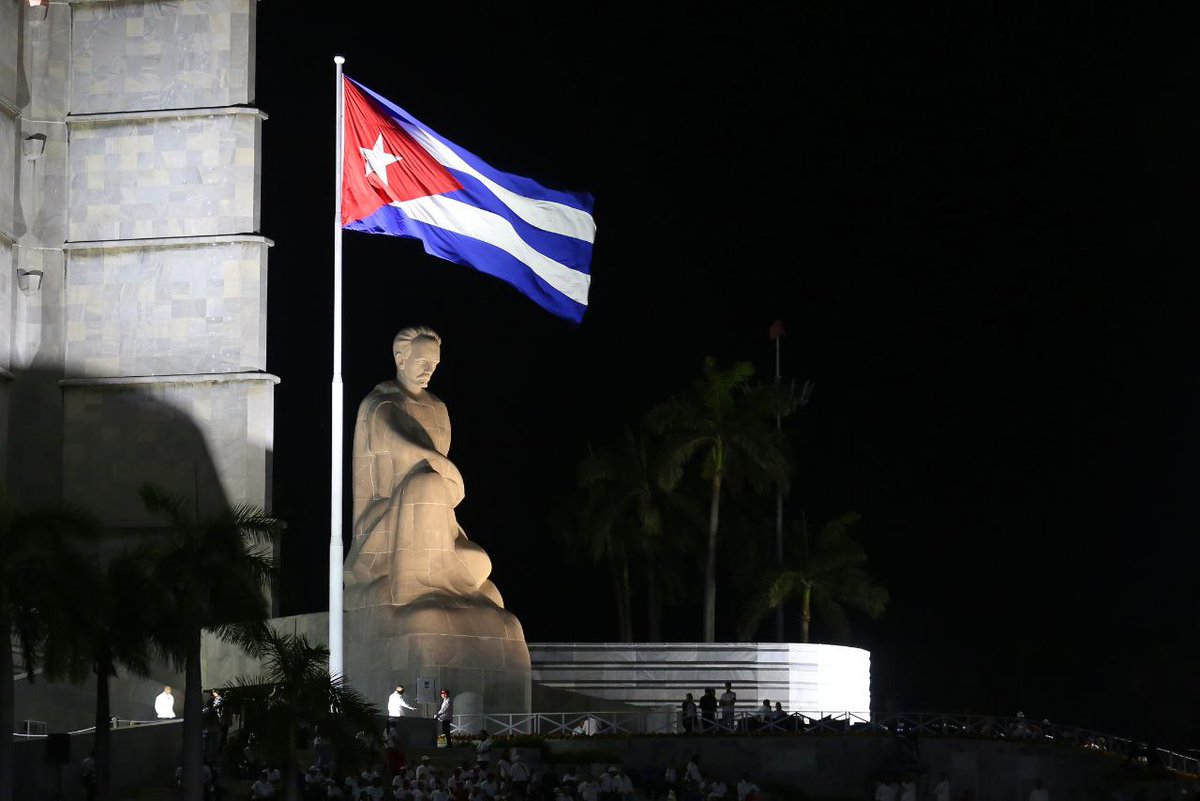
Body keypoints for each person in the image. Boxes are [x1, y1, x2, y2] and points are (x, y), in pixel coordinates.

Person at [344, 326, 502, 609]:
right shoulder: (380, 403)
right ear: (401, 358)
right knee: (426, 483)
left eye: (434, 364)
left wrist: (446, 476)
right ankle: (414, 583)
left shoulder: (438, 409)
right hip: (386, 520)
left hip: (436, 518)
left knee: (481, 564)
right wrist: (444, 469)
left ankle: (441, 577)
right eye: (422, 362)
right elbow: (402, 445)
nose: (429, 370)